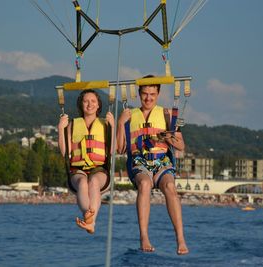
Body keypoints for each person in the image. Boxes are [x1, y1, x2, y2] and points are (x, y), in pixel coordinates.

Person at [116, 75, 189, 255]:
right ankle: (144, 236)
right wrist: (120, 123)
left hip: (162, 161)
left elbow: (181, 145)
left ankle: (180, 239)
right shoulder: (129, 115)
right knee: (145, 184)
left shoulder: (165, 114)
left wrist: (168, 137)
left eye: (152, 94)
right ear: (139, 94)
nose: (148, 98)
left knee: (170, 187)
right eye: (145, 94)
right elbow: (119, 148)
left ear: (158, 94)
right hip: (139, 161)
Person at [58, 89, 114, 234]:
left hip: (100, 169)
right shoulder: (73, 124)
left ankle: (91, 222)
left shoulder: (105, 124)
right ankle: (88, 216)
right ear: (81, 104)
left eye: (93, 101)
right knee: (83, 183)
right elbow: (65, 153)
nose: (90, 104)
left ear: (98, 105)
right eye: (86, 101)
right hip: (78, 169)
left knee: (93, 182)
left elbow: (113, 150)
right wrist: (60, 129)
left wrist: (113, 127)